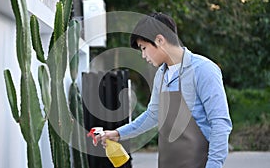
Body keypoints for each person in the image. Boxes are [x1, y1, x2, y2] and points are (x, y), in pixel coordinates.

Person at [94, 12, 232, 168]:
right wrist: (118, 133)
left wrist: (213, 166)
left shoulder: (204, 69)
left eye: (144, 48)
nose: (143, 55)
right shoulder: (161, 74)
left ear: (159, 40)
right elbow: (152, 115)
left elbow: (220, 123)